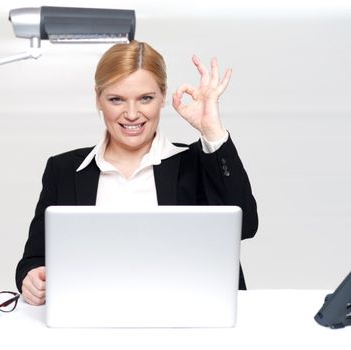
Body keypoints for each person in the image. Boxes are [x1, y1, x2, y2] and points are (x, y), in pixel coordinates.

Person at [15, 40, 258, 306]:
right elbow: (34, 259)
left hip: (187, 317)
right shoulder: (64, 170)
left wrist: (211, 130)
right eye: (116, 99)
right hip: (93, 315)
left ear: (163, 96)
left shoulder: (197, 162)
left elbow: (245, 226)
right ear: (98, 98)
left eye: (146, 98)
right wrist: (31, 278)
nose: (132, 114)